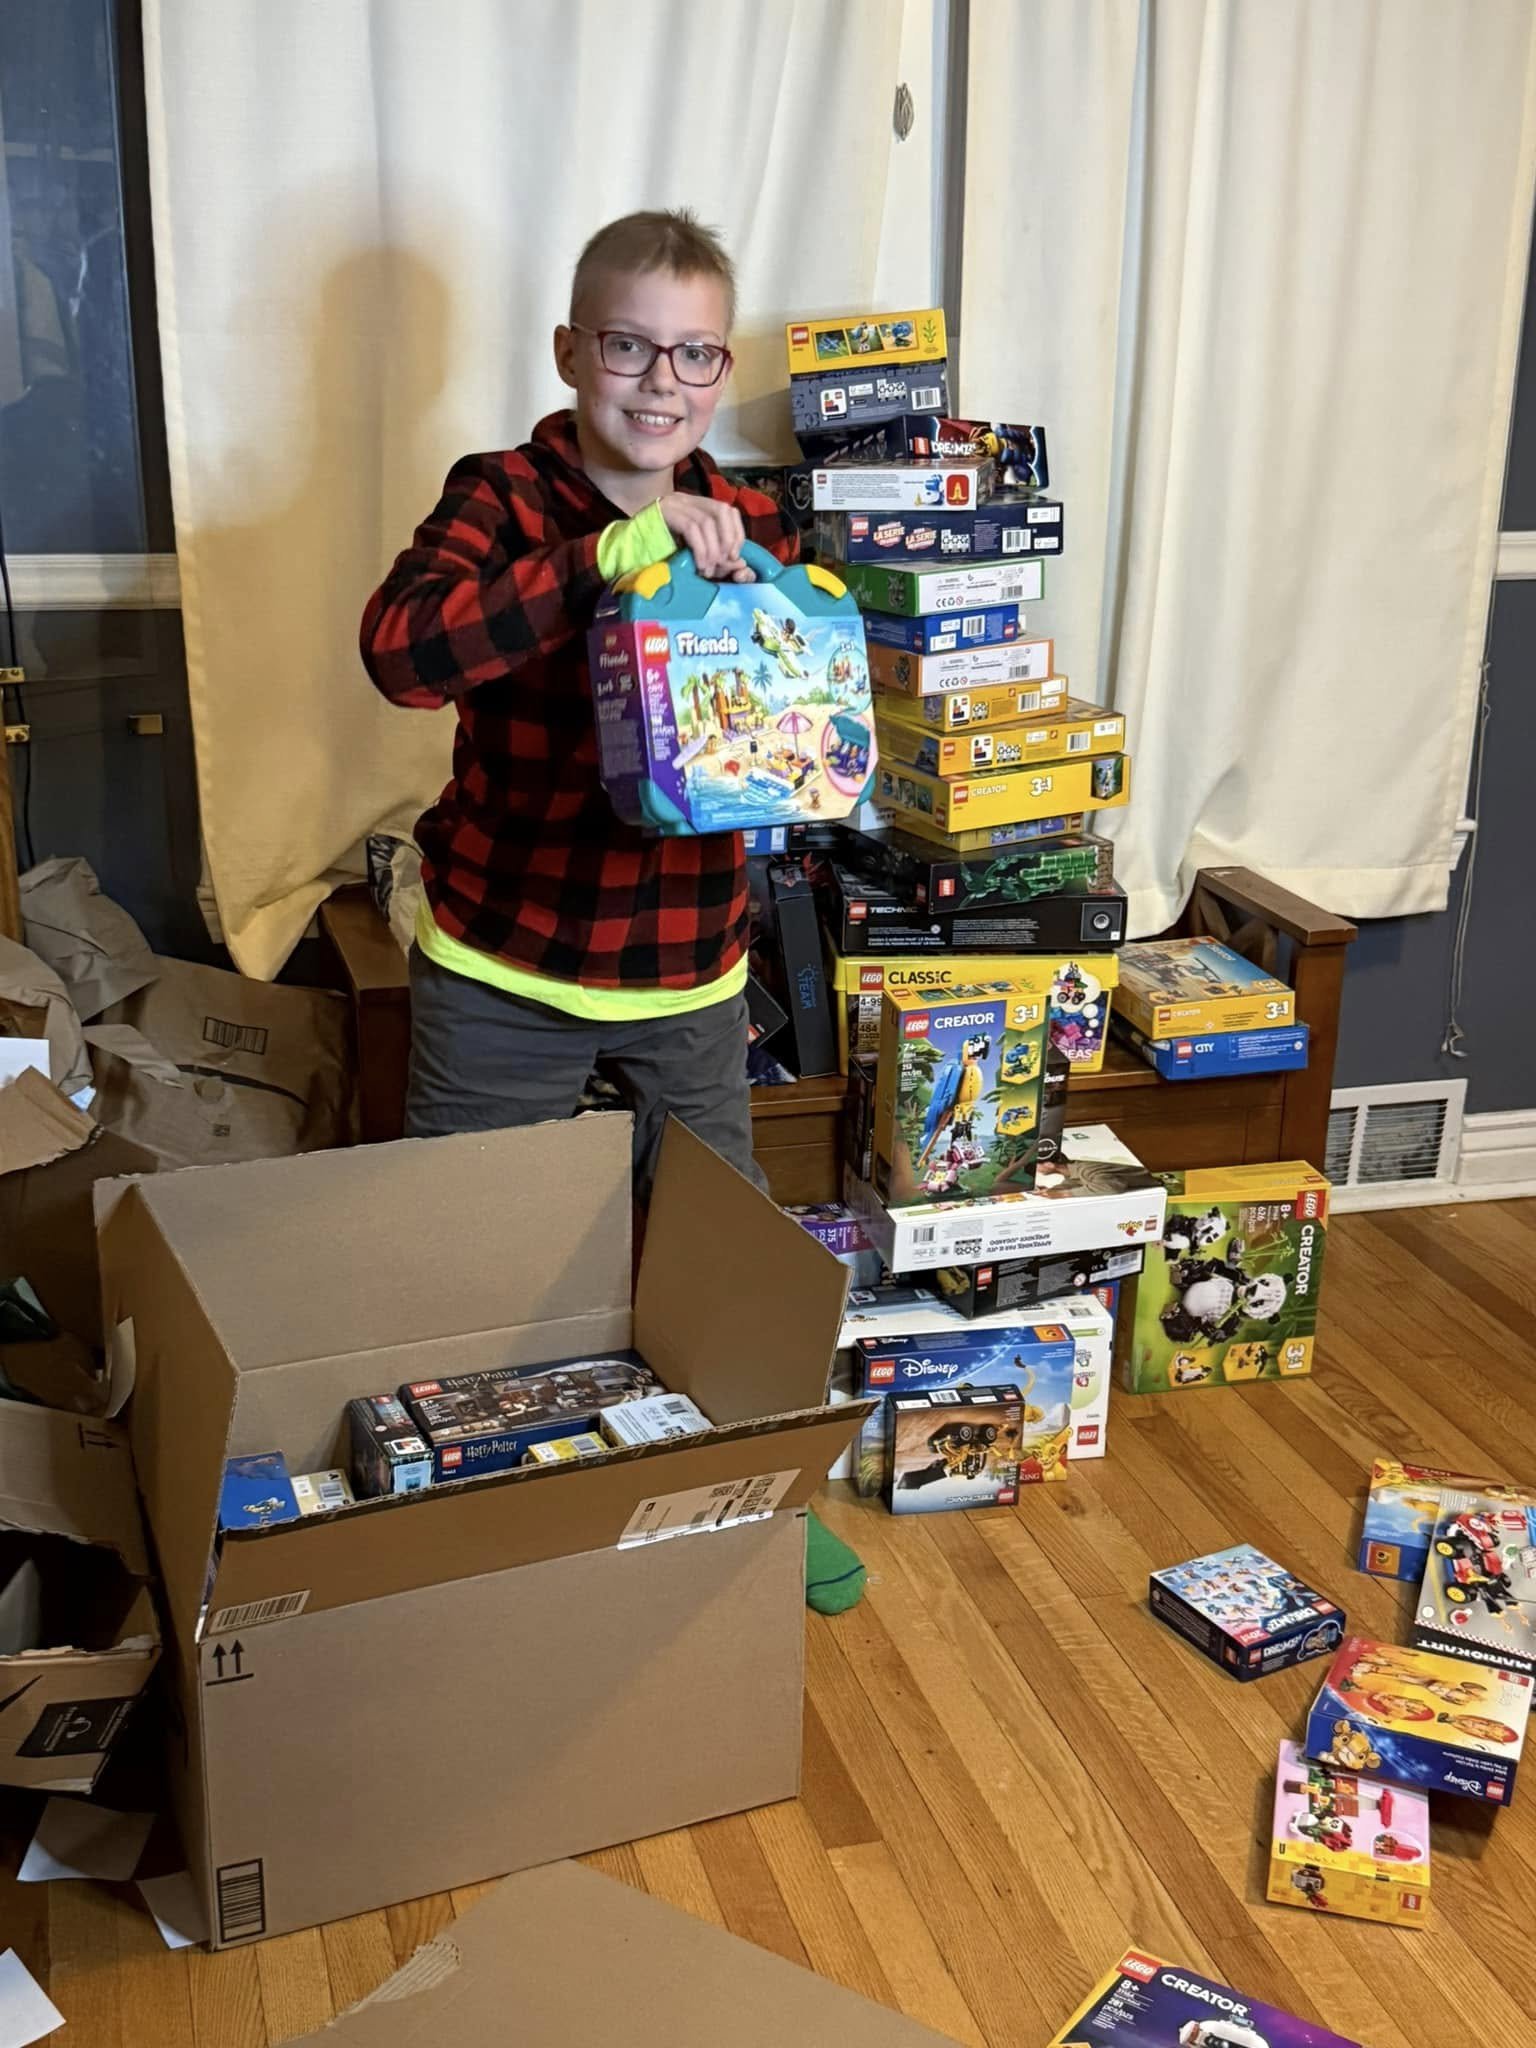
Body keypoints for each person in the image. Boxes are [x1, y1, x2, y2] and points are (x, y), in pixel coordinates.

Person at [361, 209, 797, 1200]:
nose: (661, 381)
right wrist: (606, 557)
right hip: (505, 961)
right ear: (570, 351)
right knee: (473, 1249)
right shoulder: (501, 498)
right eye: (627, 345)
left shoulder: (757, 522)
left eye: (693, 353)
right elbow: (399, 655)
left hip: (690, 966)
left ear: (720, 371)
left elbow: (788, 739)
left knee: (716, 1245)